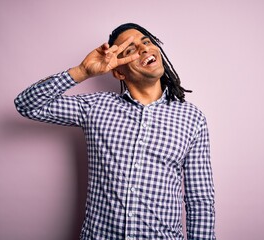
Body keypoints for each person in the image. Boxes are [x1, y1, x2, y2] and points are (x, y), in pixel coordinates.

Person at [15, 23, 215, 239]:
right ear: (119, 72)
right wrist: (81, 72)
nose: (144, 49)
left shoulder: (192, 118)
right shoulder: (95, 107)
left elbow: (200, 199)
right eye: (130, 50)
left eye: (146, 42)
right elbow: (27, 105)